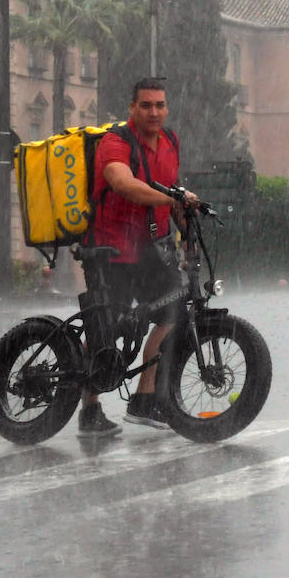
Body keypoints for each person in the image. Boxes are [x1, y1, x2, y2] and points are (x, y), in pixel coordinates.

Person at [75, 77, 198, 437]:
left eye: (160, 105)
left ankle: (145, 401)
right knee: (107, 328)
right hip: (110, 249)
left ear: (167, 107)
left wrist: (187, 229)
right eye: (146, 105)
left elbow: (170, 191)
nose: (154, 112)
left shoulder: (170, 141)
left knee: (173, 312)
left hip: (150, 250)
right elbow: (122, 182)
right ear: (132, 108)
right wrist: (173, 200)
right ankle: (90, 408)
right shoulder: (117, 141)